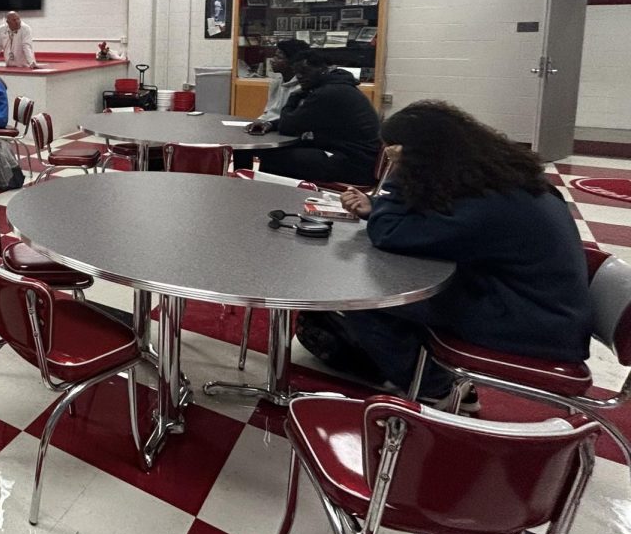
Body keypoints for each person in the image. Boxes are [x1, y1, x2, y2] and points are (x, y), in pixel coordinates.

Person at [302, 101, 592, 406]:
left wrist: (395, 177)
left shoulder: (490, 206)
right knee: (396, 286)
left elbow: (388, 234)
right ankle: (424, 373)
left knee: (366, 297)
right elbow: (442, 218)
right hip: (540, 309)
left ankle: (435, 389)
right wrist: (376, 209)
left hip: (530, 325)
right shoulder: (501, 180)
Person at [240, 50, 380, 185]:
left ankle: (267, 196)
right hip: (354, 157)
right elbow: (302, 119)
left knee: (271, 157)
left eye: (305, 71)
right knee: (276, 153)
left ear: (323, 69)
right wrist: (271, 124)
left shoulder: (328, 93)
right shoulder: (337, 86)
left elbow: (288, 127)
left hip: (353, 165)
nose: (300, 77)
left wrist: (295, 96)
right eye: (297, 73)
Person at [244, 39, 308, 133]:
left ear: (292, 61)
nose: (272, 61)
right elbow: (267, 112)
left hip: (283, 130)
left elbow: (296, 121)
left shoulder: (302, 87)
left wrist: (268, 124)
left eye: (278, 57)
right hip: (266, 128)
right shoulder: (275, 83)